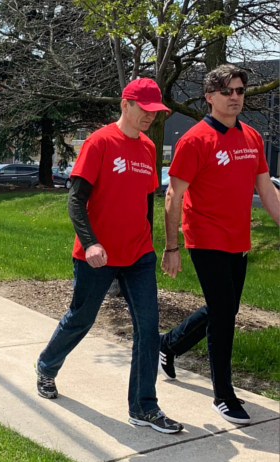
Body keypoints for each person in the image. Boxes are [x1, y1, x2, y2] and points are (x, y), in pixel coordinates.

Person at [34, 78, 182, 434]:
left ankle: (144, 407)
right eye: (144, 109)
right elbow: (75, 200)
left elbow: (146, 202)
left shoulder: (148, 148)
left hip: (139, 254)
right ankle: (46, 366)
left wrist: (163, 246)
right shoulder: (100, 143)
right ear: (126, 104)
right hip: (96, 255)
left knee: (148, 328)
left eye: (155, 111)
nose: (150, 116)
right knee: (81, 319)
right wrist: (90, 243)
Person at [159, 65, 280, 425]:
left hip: (238, 239)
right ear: (210, 96)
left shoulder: (252, 138)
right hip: (205, 237)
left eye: (240, 91)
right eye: (227, 91)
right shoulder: (195, 140)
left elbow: (266, 189)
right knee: (225, 313)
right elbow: (172, 194)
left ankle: (170, 344)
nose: (235, 97)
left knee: (222, 307)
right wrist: (172, 246)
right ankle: (223, 396)